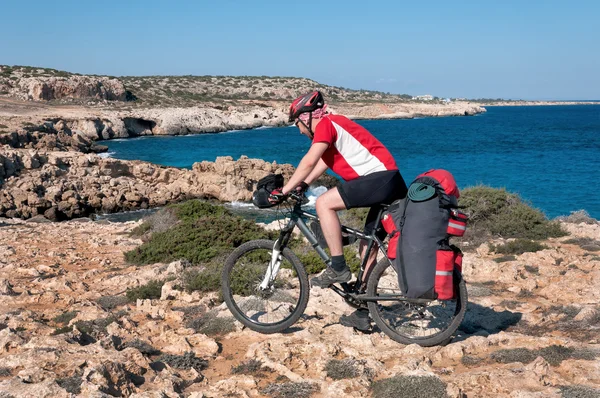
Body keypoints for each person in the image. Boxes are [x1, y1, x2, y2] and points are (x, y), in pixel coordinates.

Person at [269, 91, 408, 331]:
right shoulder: (334, 126)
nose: (299, 130)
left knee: (324, 203)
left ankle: (338, 267)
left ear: (307, 117)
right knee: (369, 246)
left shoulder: (325, 124)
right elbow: (323, 162)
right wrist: (303, 184)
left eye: (297, 124)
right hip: (391, 182)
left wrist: (284, 190)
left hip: (380, 180)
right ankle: (364, 311)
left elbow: (309, 161)